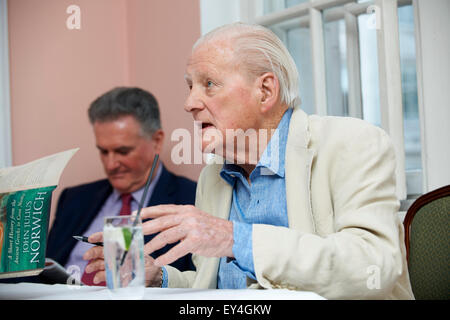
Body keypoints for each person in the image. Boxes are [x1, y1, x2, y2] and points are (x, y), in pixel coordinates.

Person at [84, 23, 414, 299]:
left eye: (208, 84)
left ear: (265, 91)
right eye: (189, 86)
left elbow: (373, 265)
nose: (189, 103)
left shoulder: (351, 144)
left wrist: (233, 238)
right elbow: (214, 286)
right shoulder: (213, 177)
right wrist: (159, 278)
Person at [46, 87, 196, 285]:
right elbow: (41, 270)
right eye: (103, 151)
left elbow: (205, 282)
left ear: (157, 141)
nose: (110, 164)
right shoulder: (74, 199)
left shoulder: (191, 199)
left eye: (123, 151)